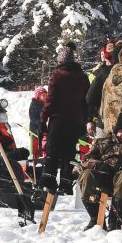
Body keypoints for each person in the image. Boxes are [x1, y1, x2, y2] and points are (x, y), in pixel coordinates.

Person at [42, 43, 89, 193]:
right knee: (69, 153)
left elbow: (50, 100)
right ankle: (66, 184)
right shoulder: (83, 76)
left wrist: (43, 118)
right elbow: (86, 101)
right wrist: (85, 119)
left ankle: (49, 183)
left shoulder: (57, 75)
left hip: (58, 120)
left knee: (53, 152)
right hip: (75, 121)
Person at [86, 39, 117, 134]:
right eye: (109, 48)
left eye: (113, 48)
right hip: (102, 118)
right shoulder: (97, 73)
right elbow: (90, 96)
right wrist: (90, 119)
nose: (111, 51)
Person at [28, 87, 49, 158]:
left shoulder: (45, 104)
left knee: (45, 142)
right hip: (34, 128)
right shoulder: (34, 104)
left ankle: (45, 155)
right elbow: (32, 118)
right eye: (43, 95)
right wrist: (40, 121)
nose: (45, 97)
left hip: (43, 127)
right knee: (36, 144)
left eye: (46, 95)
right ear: (38, 96)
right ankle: (35, 157)